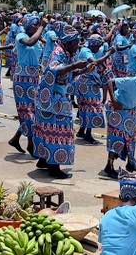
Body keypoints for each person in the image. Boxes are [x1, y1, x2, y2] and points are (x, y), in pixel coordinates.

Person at [32, 26, 94, 179]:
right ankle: (54, 167)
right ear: (67, 42)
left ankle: (44, 159)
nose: (77, 45)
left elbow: (70, 74)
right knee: (57, 132)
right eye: (75, 43)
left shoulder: (69, 53)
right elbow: (54, 70)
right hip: (52, 99)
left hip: (59, 97)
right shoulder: (58, 52)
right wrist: (74, 66)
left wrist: (84, 69)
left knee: (47, 130)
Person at [102, 63, 136, 178]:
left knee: (130, 138)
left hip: (129, 110)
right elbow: (110, 82)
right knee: (117, 138)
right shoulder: (131, 81)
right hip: (117, 109)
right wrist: (114, 100)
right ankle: (108, 167)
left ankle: (131, 164)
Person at [8, 15, 45, 155]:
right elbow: (29, 43)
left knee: (32, 111)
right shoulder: (21, 36)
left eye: (38, 24)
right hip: (22, 78)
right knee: (28, 112)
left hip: (34, 77)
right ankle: (31, 144)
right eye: (35, 24)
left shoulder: (38, 39)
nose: (37, 27)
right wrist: (42, 27)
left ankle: (16, 138)